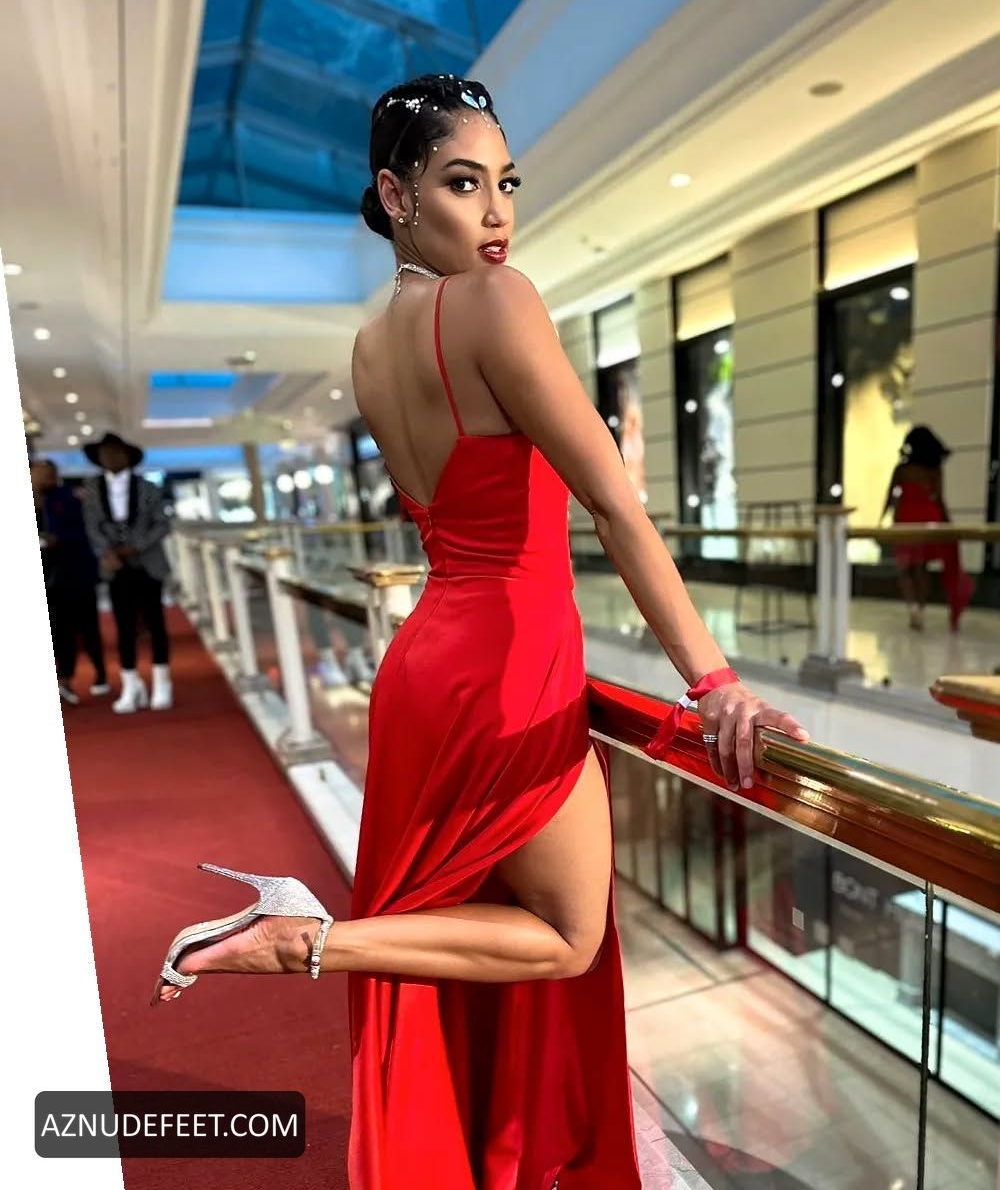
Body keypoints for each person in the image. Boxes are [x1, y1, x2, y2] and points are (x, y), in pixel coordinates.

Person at [152, 74, 809, 1190]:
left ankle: (492, 1139)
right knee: (566, 937)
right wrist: (713, 683)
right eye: (464, 183)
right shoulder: (498, 303)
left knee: (475, 919)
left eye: (507, 183)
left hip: (429, 662)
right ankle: (304, 939)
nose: (498, 213)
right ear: (395, 195)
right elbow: (612, 505)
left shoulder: (371, 348)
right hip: (511, 663)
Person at [80, 432, 173, 712]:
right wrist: (106, 552)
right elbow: (92, 527)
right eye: (105, 454)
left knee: (155, 623)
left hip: (148, 563)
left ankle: (162, 681)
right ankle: (131, 684)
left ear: (128, 457)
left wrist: (136, 546)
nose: (110, 458)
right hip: (115, 568)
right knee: (124, 626)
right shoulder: (91, 490)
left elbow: (162, 523)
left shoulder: (148, 487)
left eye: (116, 452)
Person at [881, 424, 974, 632]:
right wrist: (947, 523)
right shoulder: (934, 470)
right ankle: (921, 609)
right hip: (927, 519)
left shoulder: (901, 470)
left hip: (905, 519)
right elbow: (939, 499)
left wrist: (882, 518)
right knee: (921, 568)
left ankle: (913, 609)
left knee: (905, 568)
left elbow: (890, 496)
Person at [31, 458, 109, 703]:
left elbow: (88, 531)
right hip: (48, 575)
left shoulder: (69, 498)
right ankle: (65, 679)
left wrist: (59, 539)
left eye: (51, 473)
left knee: (87, 627)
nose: (47, 478)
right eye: (42, 473)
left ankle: (100, 672)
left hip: (76, 572)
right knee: (58, 630)